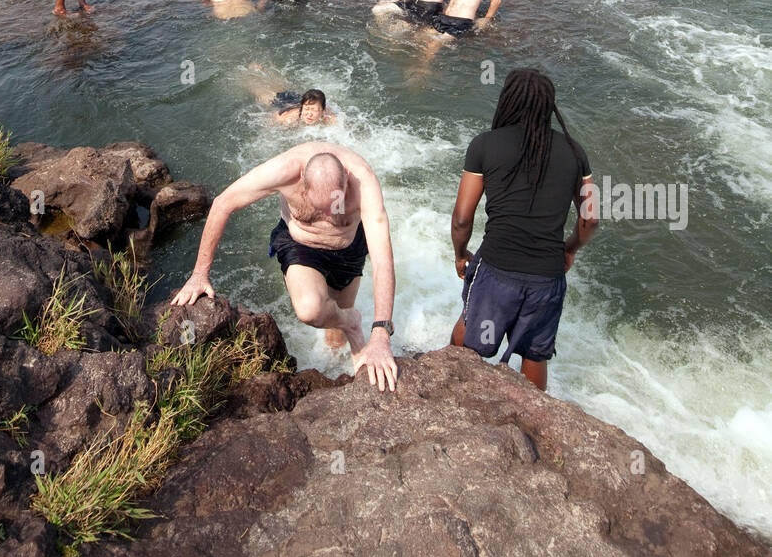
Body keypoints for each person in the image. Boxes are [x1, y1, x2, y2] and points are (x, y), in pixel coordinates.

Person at [170, 142, 398, 391]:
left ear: (347, 178)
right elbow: (223, 203)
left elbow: (383, 258)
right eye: (318, 207)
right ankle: (351, 322)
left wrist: (381, 334)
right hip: (301, 245)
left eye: (336, 202)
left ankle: (346, 341)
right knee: (311, 311)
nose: (329, 215)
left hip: (348, 249)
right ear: (302, 180)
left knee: (336, 324)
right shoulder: (285, 170)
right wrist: (199, 274)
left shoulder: (363, 180)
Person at [449, 68, 598, 391]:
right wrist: (569, 248)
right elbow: (591, 218)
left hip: (496, 269)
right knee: (533, 353)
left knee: (470, 332)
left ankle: (450, 395)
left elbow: (462, 217)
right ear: (549, 106)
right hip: (546, 277)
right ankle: (533, 420)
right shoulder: (575, 152)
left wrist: (461, 255)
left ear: (508, 101)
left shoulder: (485, 146)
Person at [271, 88, 336, 127]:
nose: (310, 114)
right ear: (302, 108)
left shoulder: (327, 116)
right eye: (306, 109)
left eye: (315, 110)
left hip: (303, 101)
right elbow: (275, 118)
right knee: (269, 95)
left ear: (322, 110)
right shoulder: (292, 117)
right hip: (283, 102)